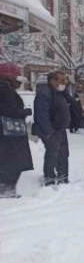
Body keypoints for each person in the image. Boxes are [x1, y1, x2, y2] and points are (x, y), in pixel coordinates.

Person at [0, 62, 33, 198]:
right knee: (14, 160)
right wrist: (25, 112)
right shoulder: (4, 89)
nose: (18, 79)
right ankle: (6, 189)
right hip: (8, 132)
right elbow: (9, 110)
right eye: (16, 75)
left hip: (6, 132)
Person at [34, 71, 71, 186]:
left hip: (60, 128)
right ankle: (49, 178)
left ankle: (63, 176)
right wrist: (48, 131)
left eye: (65, 80)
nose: (64, 83)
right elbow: (41, 114)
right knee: (53, 153)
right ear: (52, 81)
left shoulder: (61, 93)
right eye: (61, 80)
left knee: (63, 153)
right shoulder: (45, 94)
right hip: (50, 129)